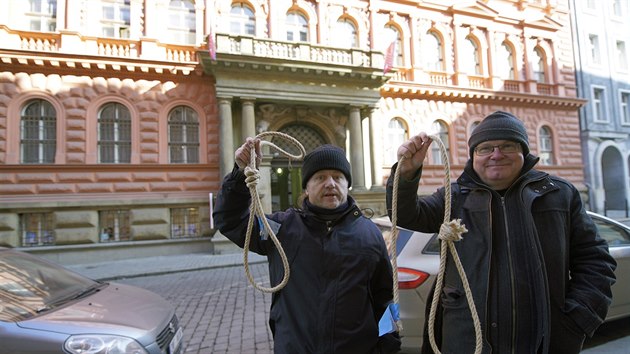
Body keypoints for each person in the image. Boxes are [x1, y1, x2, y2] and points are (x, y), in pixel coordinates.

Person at [386, 111, 617, 354]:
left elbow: (595, 260)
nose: (496, 155)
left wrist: (578, 318)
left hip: (542, 343)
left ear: (523, 152)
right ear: (474, 156)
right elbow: (404, 215)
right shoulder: (454, 198)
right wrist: (406, 174)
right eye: (485, 148)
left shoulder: (558, 194)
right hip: (466, 342)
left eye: (507, 145)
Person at [213, 138, 401, 354]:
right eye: (320, 177)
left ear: (346, 185)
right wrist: (239, 174)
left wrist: (387, 344)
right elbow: (230, 221)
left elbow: (384, 297)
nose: (330, 183)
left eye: (338, 177)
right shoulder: (280, 229)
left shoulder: (369, 234)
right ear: (306, 188)